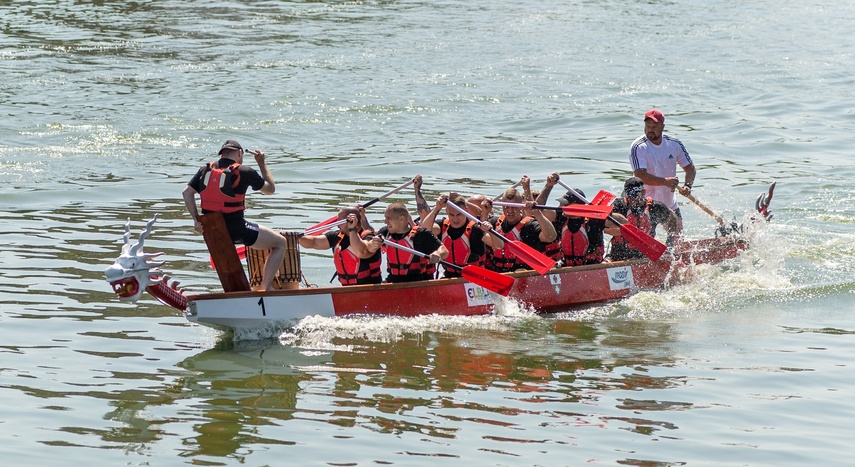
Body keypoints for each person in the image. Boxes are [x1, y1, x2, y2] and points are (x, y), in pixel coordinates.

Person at [182, 140, 286, 291]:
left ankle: (237, 291)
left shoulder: (205, 170)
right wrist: (262, 163)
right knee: (280, 242)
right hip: (237, 230)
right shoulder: (244, 171)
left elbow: (186, 193)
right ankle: (266, 288)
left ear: (222, 154)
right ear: (239, 153)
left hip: (212, 232)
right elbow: (270, 189)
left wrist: (196, 219)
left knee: (259, 236)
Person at [629, 109, 696, 233]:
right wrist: (665, 182)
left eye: (654, 127)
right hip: (646, 205)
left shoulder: (674, 144)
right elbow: (640, 176)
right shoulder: (638, 147)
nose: (650, 130)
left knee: (678, 241)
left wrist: (687, 185)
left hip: (669, 203)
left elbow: (690, 168)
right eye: (648, 126)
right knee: (648, 243)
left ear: (662, 127)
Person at [535, 173, 618, 266]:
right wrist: (548, 186)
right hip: (566, 265)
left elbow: (622, 223)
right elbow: (537, 210)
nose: (560, 206)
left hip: (593, 266)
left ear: (577, 205)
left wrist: (610, 215)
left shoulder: (593, 221)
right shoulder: (561, 218)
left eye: (565, 204)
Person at [420, 194, 503, 278]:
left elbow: (499, 246)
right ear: (447, 212)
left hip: (474, 277)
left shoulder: (475, 229)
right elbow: (423, 231)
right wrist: (437, 208)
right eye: (452, 215)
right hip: (449, 276)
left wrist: (491, 231)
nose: (455, 219)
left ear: (466, 211)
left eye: (459, 214)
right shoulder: (442, 225)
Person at [487, 176, 558, 273]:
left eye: (514, 207)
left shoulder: (529, 225)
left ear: (520, 206)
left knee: (520, 270)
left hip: (525, 274)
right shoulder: (495, 222)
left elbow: (551, 237)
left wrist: (537, 213)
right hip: (500, 274)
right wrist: (484, 211)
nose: (510, 211)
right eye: (506, 207)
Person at [298, 207, 382, 286]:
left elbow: (361, 252)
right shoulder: (337, 236)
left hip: (369, 288)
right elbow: (314, 242)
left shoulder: (369, 236)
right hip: (346, 288)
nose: (337, 224)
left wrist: (352, 229)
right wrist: (297, 238)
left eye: (339, 221)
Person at [370, 202, 449, 283]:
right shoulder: (385, 232)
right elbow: (373, 243)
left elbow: (444, 250)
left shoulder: (421, 234)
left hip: (419, 282)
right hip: (393, 280)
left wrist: (438, 254)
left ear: (402, 219)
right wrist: (375, 243)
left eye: (388, 218)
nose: (385, 222)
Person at [608, 177, 678, 261]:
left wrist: (670, 242)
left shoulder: (655, 207)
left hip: (645, 255)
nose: (631, 199)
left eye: (634, 196)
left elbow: (673, 219)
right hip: (619, 254)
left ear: (643, 192)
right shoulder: (618, 205)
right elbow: (604, 225)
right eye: (629, 196)